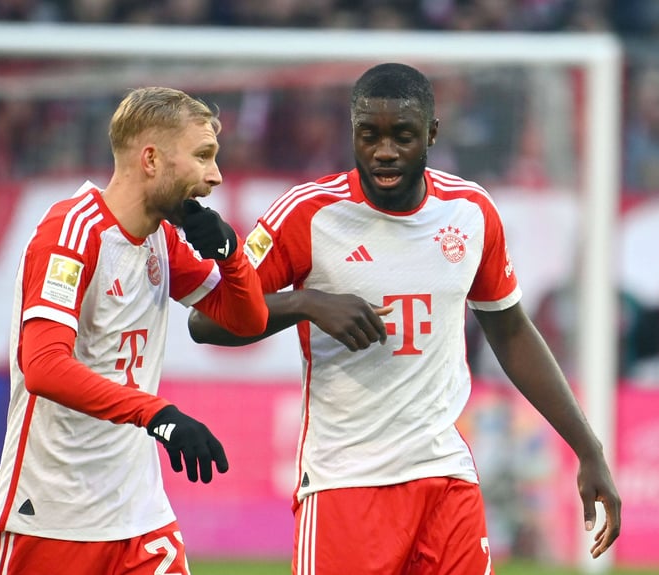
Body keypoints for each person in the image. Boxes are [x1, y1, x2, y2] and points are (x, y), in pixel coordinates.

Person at [189, 63, 621, 574]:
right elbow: (207, 319)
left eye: (403, 136)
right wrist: (306, 303)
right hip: (346, 483)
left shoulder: (470, 212)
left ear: (432, 134)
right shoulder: (308, 214)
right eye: (369, 135)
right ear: (352, 133)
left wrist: (588, 449)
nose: (384, 151)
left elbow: (510, 330)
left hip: (445, 479)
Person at [0, 86, 269, 575]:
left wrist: (231, 254)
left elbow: (247, 321)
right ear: (151, 159)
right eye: (202, 157)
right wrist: (157, 414)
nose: (215, 176)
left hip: (140, 518)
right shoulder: (72, 232)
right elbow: (44, 367)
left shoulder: (161, 240)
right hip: (52, 517)